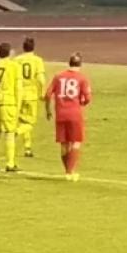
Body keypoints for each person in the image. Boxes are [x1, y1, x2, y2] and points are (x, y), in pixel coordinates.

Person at [45, 52, 92, 182]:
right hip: (75, 113)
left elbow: (48, 95)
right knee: (76, 142)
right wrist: (81, 103)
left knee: (64, 144)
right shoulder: (82, 78)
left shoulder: (58, 77)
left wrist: (48, 111)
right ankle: (71, 172)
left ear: (69, 63)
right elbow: (88, 98)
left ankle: (67, 172)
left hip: (60, 114)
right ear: (80, 64)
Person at [0, 43, 21, 172]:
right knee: (9, 133)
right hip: (9, 101)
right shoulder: (15, 66)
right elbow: (18, 87)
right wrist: (18, 104)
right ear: (9, 53)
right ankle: (10, 163)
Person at [13, 37, 46, 158]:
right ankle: (15, 132)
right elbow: (41, 79)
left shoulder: (17, 60)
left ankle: (27, 148)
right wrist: (42, 92)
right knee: (30, 123)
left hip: (19, 94)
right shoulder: (37, 60)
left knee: (23, 121)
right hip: (31, 95)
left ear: (23, 47)